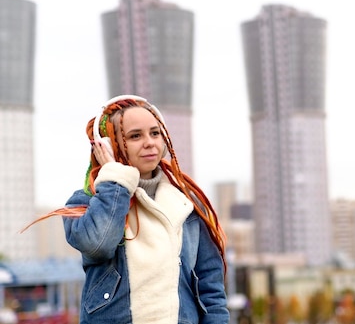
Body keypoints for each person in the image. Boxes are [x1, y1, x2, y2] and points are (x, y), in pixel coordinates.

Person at [29, 95, 229, 324]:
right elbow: (98, 245)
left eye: (155, 133)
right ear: (108, 145)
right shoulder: (85, 202)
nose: (150, 142)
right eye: (135, 136)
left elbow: (211, 288)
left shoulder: (187, 206)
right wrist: (115, 180)